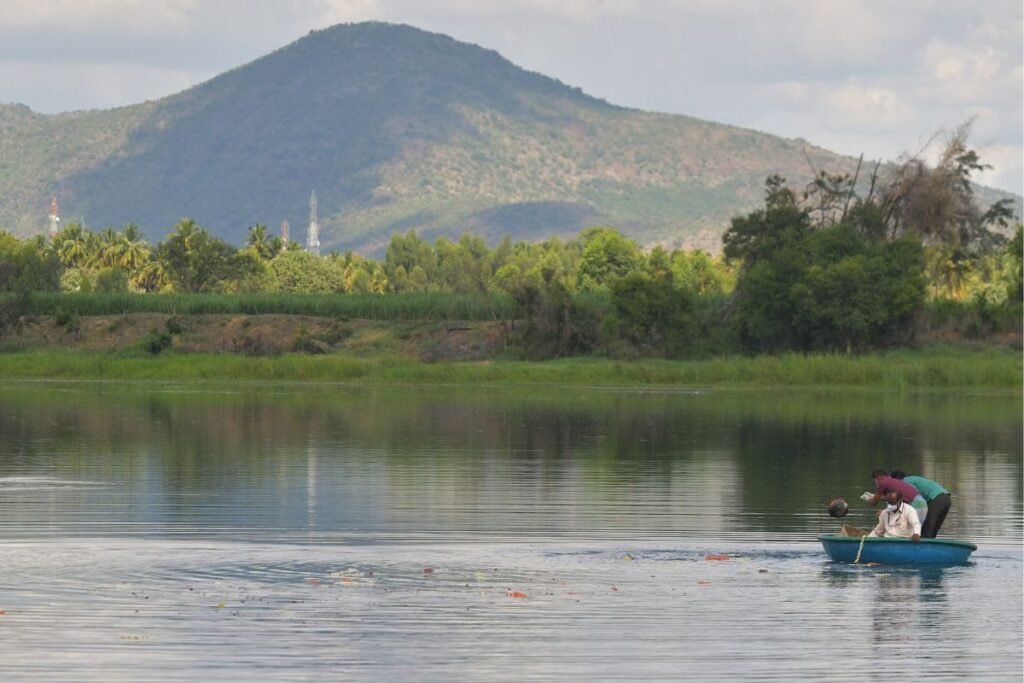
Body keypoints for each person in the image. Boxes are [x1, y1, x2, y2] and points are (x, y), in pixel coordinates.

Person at [890, 470, 951, 539]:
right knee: (934, 528)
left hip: (936, 498)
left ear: (895, 480)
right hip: (947, 499)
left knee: (927, 526)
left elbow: (915, 496)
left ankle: (923, 546)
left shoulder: (905, 482)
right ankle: (931, 545)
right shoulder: (912, 479)